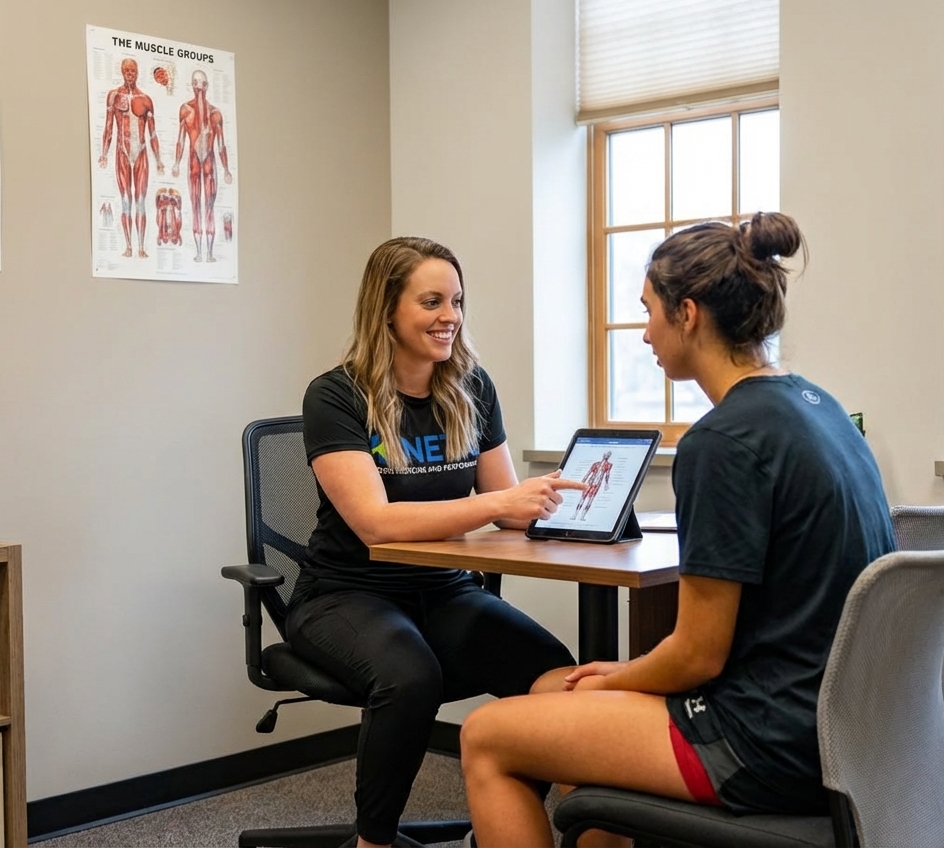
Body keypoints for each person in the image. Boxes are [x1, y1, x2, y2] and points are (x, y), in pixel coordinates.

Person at [458, 212, 896, 847]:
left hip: (762, 738)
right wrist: (613, 679)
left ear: (687, 313)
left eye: (649, 312)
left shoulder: (723, 442)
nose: (644, 335)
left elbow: (697, 655)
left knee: (486, 736)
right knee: (563, 692)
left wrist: (616, 677)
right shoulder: (817, 406)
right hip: (842, 729)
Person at [290, 236, 582, 848]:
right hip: (346, 594)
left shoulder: (471, 388)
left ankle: (521, 827)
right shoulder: (336, 396)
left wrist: (578, 508)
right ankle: (374, 842)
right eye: (431, 301)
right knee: (410, 676)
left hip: (442, 588)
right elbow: (376, 523)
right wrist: (501, 502)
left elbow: (507, 511)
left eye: (456, 301)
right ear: (387, 309)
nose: (450, 316)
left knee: (557, 675)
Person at [98, 58, 164, 258]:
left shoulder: (145, 99)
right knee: (126, 200)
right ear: (121, 71)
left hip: (141, 151)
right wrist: (103, 153)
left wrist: (159, 159)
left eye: (133, 70)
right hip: (122, 152)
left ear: (138, 72)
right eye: (126, 70)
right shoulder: (113, 96)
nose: (130, 73)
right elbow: (109, 127)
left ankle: (142, 247)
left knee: (141, 200)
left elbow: (152, 133)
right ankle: (128, 246)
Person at [171, 70, 231, 263]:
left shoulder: (215, 114)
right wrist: (176, 163)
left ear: (207, 86)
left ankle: (210, 253)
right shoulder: (185, 110)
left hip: (210, 166)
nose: (199, 88)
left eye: (203, 84)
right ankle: (199, 252)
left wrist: (226, 168)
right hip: (194, 164)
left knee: (210, 206)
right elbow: (180, 139)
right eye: (196, 83)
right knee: (196, 204)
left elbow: (221, 144)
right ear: (192, 84)